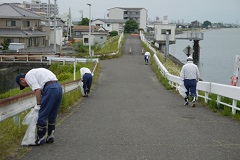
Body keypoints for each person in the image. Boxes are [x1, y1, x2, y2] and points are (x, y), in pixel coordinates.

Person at [15, 68, 62, 145]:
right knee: (52, 113)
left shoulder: (28, 76)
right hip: (58, 87)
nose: (26, 86)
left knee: (42, 114)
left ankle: (41, 138)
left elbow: (38, 90)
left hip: (50, 88)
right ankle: (50, 136)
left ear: (22, 80)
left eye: (24, 85)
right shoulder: (36, 72)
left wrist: (38, 104)